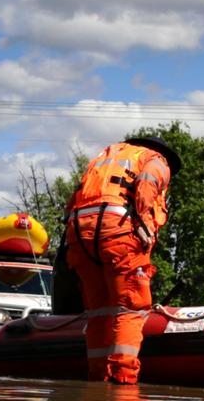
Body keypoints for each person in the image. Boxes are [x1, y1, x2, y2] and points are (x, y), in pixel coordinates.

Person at [64, 136, 181, 384]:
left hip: (80, 235)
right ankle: (122, 379)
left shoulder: (105, 157)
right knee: (131, 307)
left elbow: (72, 201)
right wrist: (143, 222)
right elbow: (147, 183)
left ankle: (97, 377)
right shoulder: (156, 159)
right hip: (119, 232)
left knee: (99, 311)